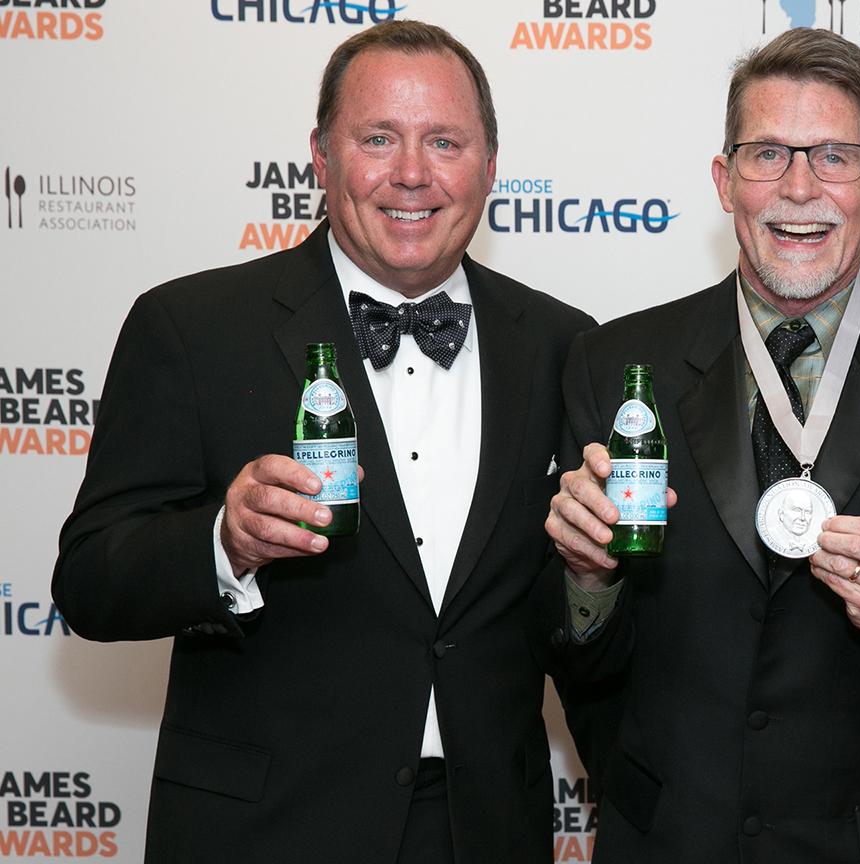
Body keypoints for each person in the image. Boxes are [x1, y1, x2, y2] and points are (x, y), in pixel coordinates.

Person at [52, 21, 594, 864]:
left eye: (443, 141)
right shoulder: (192, 329)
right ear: (321, 157)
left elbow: (570, 611)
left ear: (489, 166)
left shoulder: (563, 344)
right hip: (266, 830)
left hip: (483, 829)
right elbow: (89, 581)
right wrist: (223, 544)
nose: (411, 173)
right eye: (377, 138)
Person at [543, 27, 860, 864]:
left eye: (833, 156)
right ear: (723, 180)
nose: (798, 188)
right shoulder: (613, 367)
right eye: (767, 154)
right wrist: (585, 580)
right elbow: (561, 647)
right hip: (666, 840)